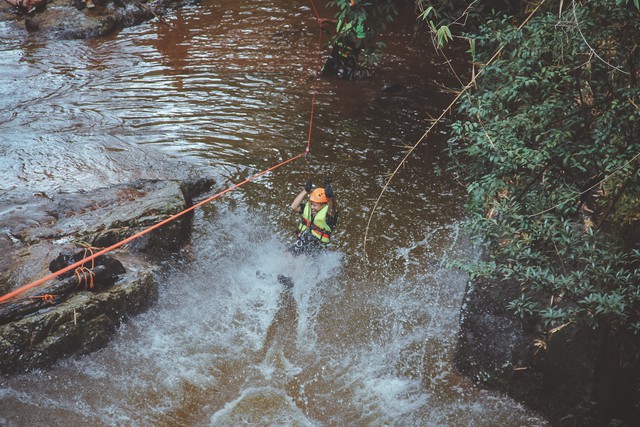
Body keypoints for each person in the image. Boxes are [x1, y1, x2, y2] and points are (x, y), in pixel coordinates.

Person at [289, 177, 339, 256]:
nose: (312, 207)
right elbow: (293, 206)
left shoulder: (329, 216)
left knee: (301, 259)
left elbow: (331, 210)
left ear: (323, 205)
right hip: (304, 240)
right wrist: (305, 191)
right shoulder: (309, 209)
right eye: (311, 204)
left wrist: (330, 198)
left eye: (315, 205)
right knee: (287, 254)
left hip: (317, 246)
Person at [319, 0, 368, 80]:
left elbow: (360, 42)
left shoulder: (359, 23)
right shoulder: (343, 16)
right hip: (337, 49)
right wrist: (326, 21)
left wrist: (348, 38)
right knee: (326, 72)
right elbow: (339, 23)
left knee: (346, 77)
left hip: (350, 53)